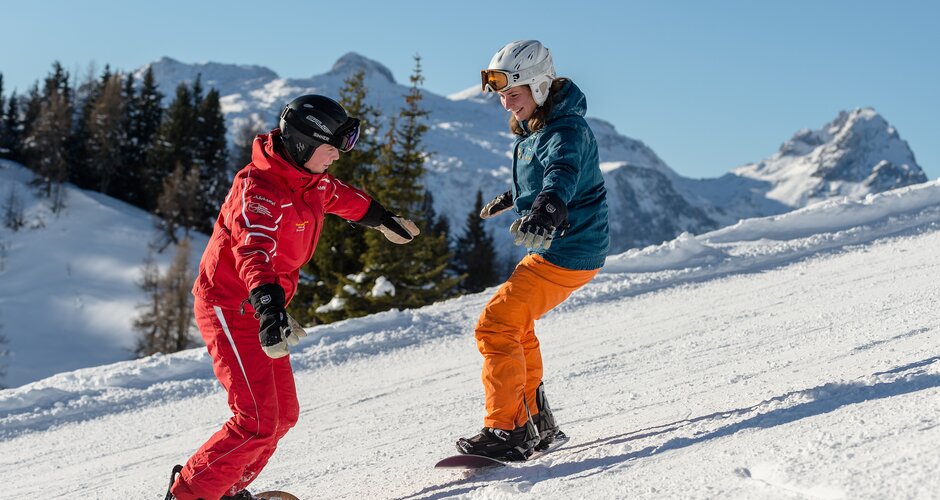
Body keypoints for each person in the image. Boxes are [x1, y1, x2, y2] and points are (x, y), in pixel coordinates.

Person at [165, 94, 420, 500]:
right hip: (232, 305)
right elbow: (253, 250)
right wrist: (269, 307)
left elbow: (339, 196)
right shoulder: (259, 189)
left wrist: (381, 218)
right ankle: (189, 495)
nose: (338, 155)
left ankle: (225, 489)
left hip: (264, 308)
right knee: (256, 420)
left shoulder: (309, 180)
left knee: (283, 414)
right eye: (332, 146)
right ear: (303, 143)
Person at [456, 40, 610, 461]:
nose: (506, 104)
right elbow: (545, 173)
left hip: (568, 247)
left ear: (540, 86)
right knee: (515, 324)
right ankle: (536, 422)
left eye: (514, 93)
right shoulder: (541, 126)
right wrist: (517, 197)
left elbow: (562, 171)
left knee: (496, 325)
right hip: (565, 245)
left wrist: (547, 208)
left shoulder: (565, 130)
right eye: (502, 95)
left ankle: (508, 430)